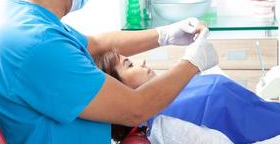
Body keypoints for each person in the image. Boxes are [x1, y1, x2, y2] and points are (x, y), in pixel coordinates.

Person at [0, 0, 219, 143]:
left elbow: (95, 44)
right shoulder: (38, 44)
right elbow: (136, 108)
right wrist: (193, 62)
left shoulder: (22, 17)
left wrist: (164, 34)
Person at [94, 49, 280, 144]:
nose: (141, 61)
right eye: (130, 65)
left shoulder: (166, 96)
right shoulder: (161, 125)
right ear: (118, 88)